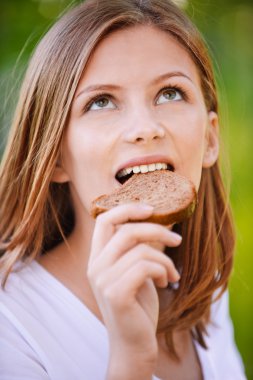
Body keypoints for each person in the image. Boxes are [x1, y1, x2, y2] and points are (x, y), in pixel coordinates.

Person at [0, 0, 247, 379]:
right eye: (101, 102)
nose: (144, 128)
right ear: (55, 159)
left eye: (170, 93)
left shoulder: (207, 292)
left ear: (210, 138)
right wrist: (130, 360)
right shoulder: (12, 325)